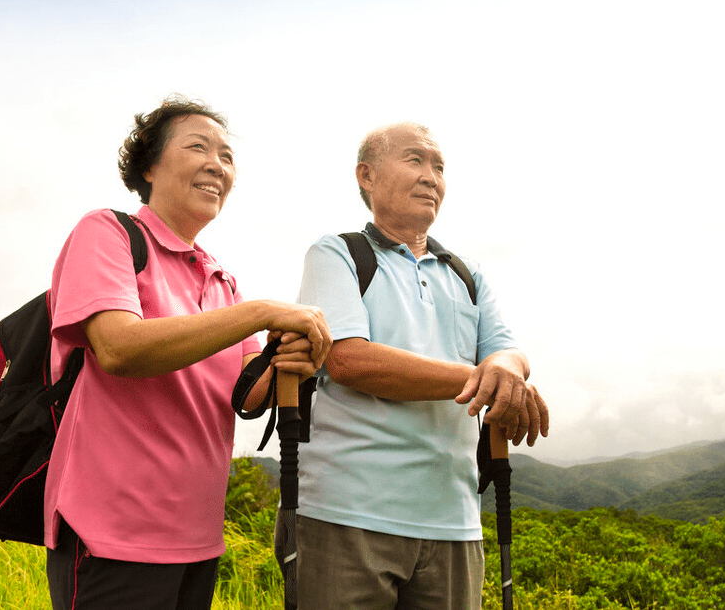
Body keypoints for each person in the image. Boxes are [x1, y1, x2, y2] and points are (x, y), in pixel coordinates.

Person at [43, 96, 332, 610]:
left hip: (197, 539)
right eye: (197, 147)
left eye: (226, 156)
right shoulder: (108, 233)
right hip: (111, 534)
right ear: (149, 166)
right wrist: (263, 313)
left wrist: (292, 359)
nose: (216, 165)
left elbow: (249, 392)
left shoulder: (221, 280)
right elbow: (117, 347)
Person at [287, 122, 550, 610]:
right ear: (366, 175)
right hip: (349, 512)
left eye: (439, 166)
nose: (431, 176)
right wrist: (486, 382)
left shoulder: (467, 275)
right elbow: (348, 358)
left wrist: (506, 373)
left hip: (455, 519)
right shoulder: (337, 253)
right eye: (415, 160)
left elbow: (508, 352)